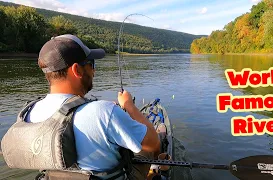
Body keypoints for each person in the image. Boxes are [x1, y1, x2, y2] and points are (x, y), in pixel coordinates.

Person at [3, 34, 160, 180]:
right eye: (91, 64)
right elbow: (153, 143)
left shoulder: (30, 111)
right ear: (77, 70)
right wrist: (129, 106)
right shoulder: (104, 112)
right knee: (146, 148)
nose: (94, 71)